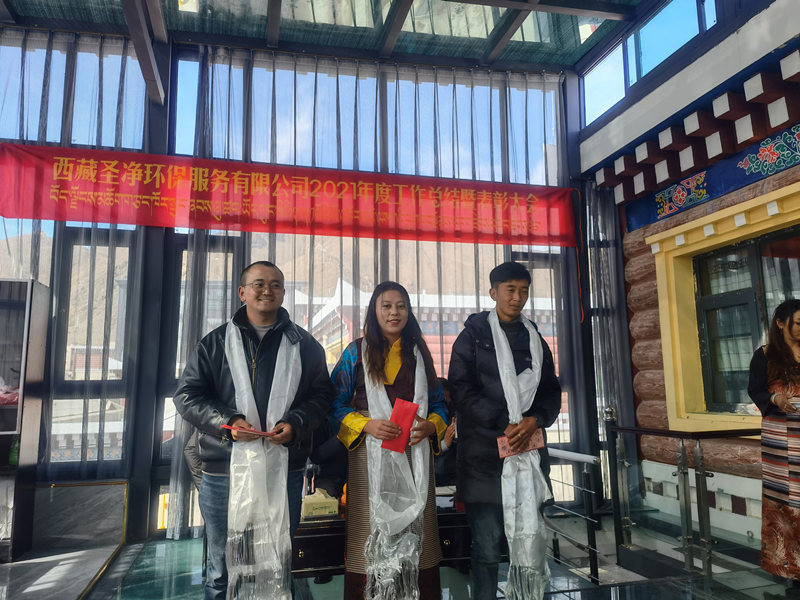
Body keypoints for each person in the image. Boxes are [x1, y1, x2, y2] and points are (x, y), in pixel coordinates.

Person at [174, 260, 335, 600]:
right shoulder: (216, 343)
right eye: (259, 283)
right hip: (223, 470)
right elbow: (187, 396)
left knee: (277, 558)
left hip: (285, 468)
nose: (267, 290)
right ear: (242, 292)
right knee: (221, 565)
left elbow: (323, 396)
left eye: (275, 285)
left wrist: (296, 423)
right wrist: (228, 422)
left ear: (283, 293)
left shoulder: (304, 345)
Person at [448, 261, 561, 600]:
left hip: (528, 453)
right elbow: (461, 390)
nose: (517, 297)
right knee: (486, 547)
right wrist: (505, 422)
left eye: (524, 291)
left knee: (529, 541)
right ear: (493, 292)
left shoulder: (534, 338)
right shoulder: (472, 337)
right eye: (510, 290)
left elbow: (551, 391)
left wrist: (534, 419)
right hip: (483, 460)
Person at [330, 281, 448, 600]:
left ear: (409, 311)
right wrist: (366, 424)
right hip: (370, 455)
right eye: (386, 306)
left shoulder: (419, 353)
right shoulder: (355, 352)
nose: (394, 312)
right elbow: (334, 403)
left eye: (401, 306)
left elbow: (439, 404)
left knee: (418, 532)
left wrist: (431, 426)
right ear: (374, 311)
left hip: (414, 452)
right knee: (369, 531)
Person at [748, 298, 800, 587]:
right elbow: (755, 390)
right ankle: (789, 570)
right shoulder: (766, 355)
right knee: (785, 502)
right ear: (780, 323)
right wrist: (775, 398)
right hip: (781, 438)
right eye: (799, 323)